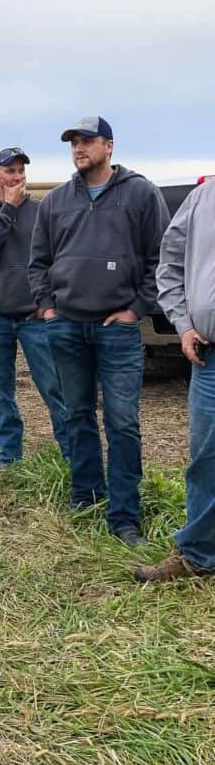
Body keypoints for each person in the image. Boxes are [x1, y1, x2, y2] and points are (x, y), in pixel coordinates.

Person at [29, 116, 170, 547]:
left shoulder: (140, 193)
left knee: (123, 422)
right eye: (73, 142)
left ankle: (125, 517)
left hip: (117, 330)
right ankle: (85, 498)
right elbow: (38, 263)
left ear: (109, 146)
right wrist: (49, 309)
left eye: (87, 141)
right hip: (67, 327)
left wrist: (136, 309)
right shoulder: (55, 201)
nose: (78, 148)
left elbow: (160, 257)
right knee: (77, 415)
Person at [135, 179, 215, 581]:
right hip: (209, 357)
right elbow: (169, 264)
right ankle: (198, 556)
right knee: (205, 460)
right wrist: (183, 325)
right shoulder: (203, 197)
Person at [0, 147, 69, 466]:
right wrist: (8, 210)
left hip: (34, 319)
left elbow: (56, 259)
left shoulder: (41, 212)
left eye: (21, 171)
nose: (17, 177)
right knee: (2, 393)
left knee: (55, 389)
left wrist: (48, 301)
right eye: (9, 171)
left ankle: (72, 457)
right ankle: (10, 458)